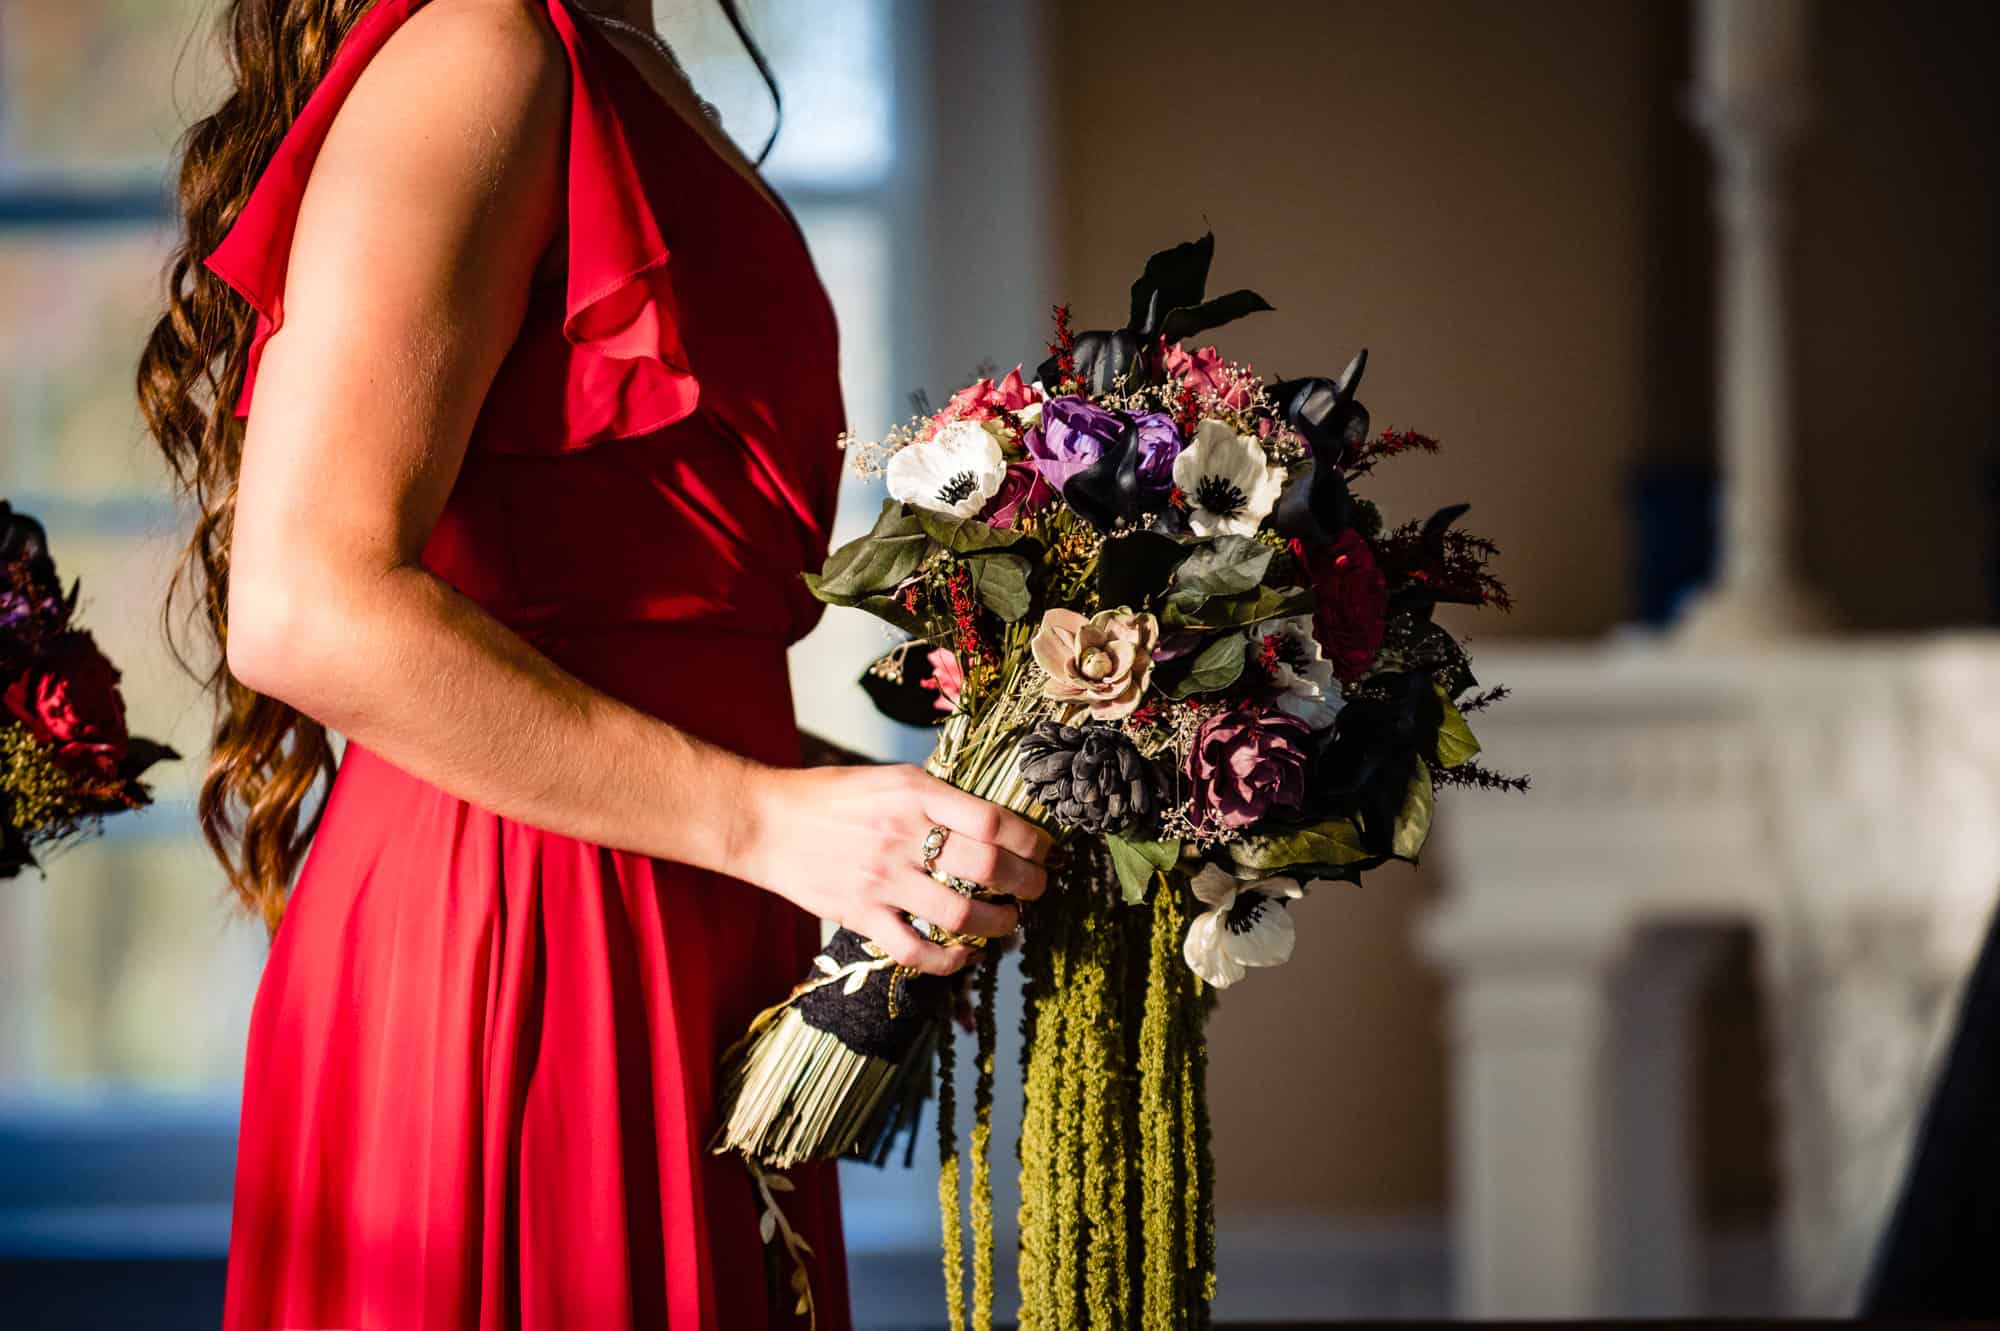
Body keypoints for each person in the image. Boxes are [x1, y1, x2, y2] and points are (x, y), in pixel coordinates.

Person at [136, 2, 1052, 1327]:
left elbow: (616, 621)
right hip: (529, 932)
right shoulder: (480, 46)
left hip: (683, 905)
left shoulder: (608, 52)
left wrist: (905, 820)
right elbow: (303, 603)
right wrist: (765, 817)